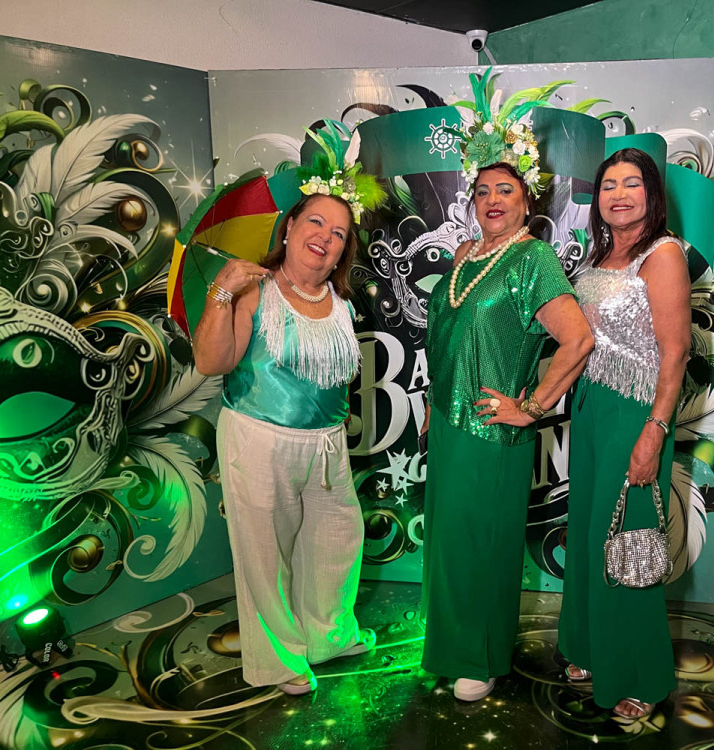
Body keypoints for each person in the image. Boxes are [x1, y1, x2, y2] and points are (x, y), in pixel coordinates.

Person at [193, 135, 385, 696]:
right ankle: (279, 662)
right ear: (291, 226)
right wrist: (221, 294)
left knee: (336, 542)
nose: (325, 237)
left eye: (339, 233)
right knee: (264, 556)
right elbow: (211, 362)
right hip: (259, 439)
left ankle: (327, 637)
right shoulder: (256, 290)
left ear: (344, 250)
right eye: (316, 223)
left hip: (326, 445)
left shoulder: (342, 305)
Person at [421, 94, 595, 702]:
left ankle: (482, 655)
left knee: (483, 544)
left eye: (506, 191)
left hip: (493, 431)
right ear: (472, 202)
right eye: (482, 191)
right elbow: (448, 338)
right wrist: (432, 406)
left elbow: (578, 339)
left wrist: (533, 407)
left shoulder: (533, 257)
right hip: (448, 422)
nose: (492, 200)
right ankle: (450, 647)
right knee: (450, 542)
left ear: (527, 203)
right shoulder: (465, 254)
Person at [558, 147, 691, 719]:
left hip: (636, 413)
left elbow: (676, 352)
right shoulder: (600, 254)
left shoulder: (663, 255)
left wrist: (654, 430)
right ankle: (590, 647)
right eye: (608, 184)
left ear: (651, 194)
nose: (618, 194)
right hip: (592, 407)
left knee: (630, 539)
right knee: (593, 533)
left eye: (631, 183)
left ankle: (640, 674)